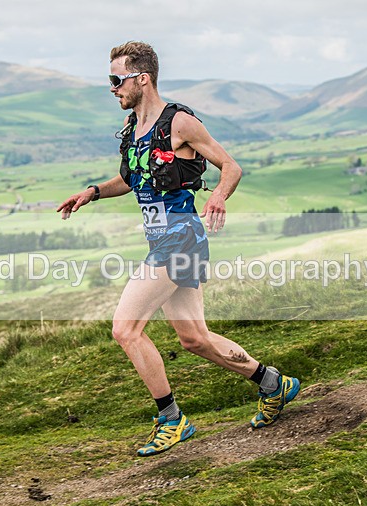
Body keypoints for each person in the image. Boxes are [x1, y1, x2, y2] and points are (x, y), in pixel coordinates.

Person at [57, 41, 300, 456]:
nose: (112, 88)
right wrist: (93, 192)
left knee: (125, 329)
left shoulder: (180, 123)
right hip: (163, 239)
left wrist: (219, 196)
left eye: (117, 79)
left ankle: (172, 420)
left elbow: (231, 166)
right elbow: (131, 180)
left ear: (142, 79)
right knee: (194, 339)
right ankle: (273, 383)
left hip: (181, 237)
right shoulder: (132, 129)